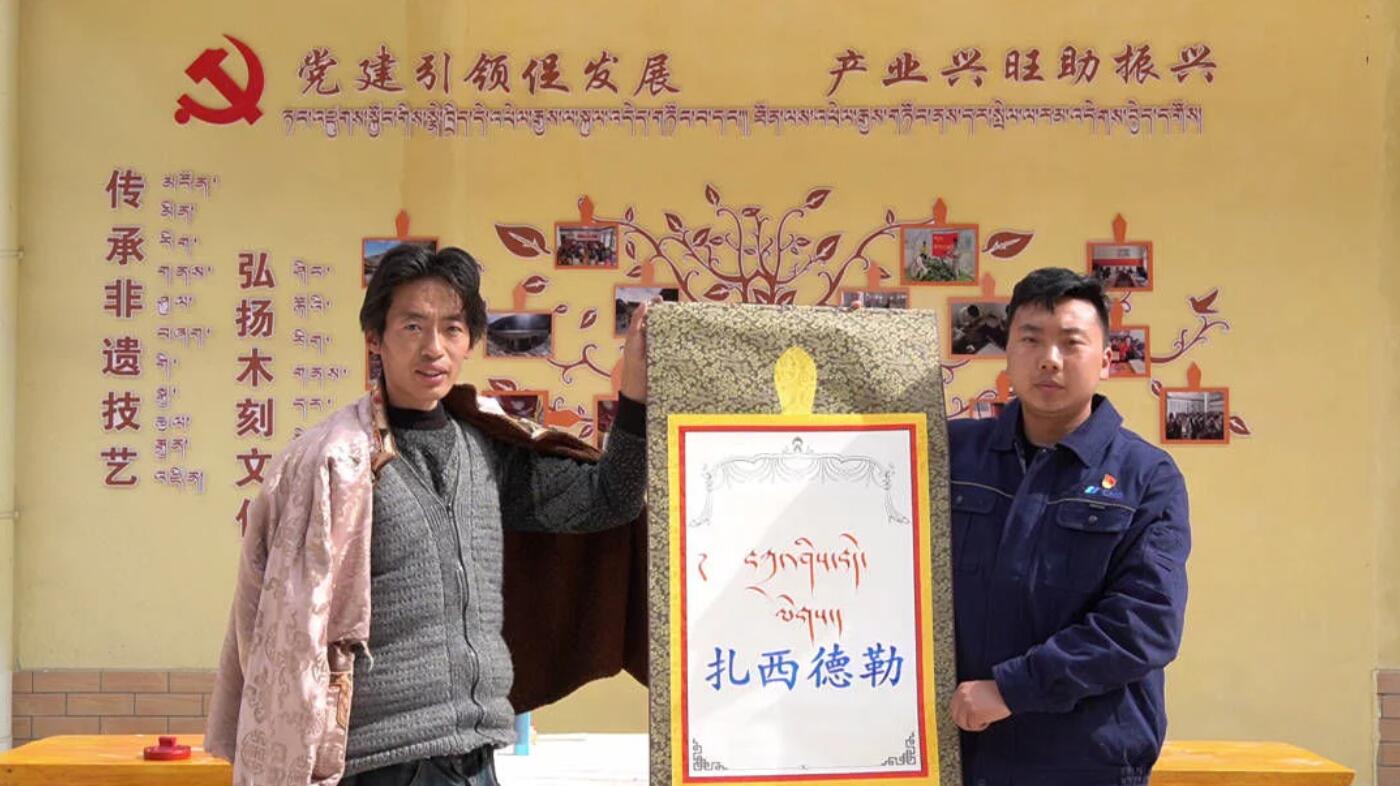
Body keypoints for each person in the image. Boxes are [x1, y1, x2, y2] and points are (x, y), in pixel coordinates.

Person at [207, 244, 651, 786]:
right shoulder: (334, 465)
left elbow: (612, 497)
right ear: (376, 338)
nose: (433, 348)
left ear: (470, 341)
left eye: (452, 329)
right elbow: (282, 630)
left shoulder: (489, 452)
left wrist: (634, 393)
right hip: (382, 764)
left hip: (476, 758)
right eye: (413, 326)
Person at [945, 267, 1191, 786]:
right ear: (1007, 353)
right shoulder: (954, 454)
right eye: (1031, 339)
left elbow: (1144, 624)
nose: (1049, 359)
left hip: (1084, 762)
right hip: (958, 754)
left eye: (1071, 342)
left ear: (1106, 359)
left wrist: (1012, 689)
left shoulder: (1146, 476)